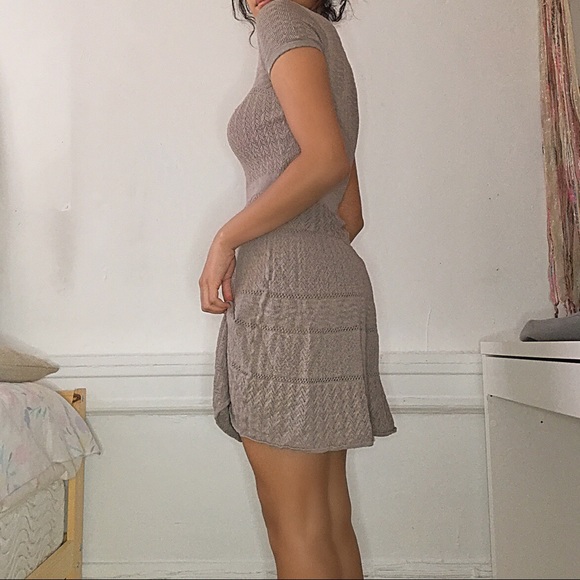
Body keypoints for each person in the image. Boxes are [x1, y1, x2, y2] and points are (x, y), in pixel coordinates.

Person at [199, 0, 397, 577]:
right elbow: (349, 212)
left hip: (284, 289)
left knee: (296, 527)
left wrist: (226, 239)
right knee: (327, 520)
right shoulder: (321, 36)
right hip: (331, 279)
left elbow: (325, 160)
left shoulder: (282, 20)